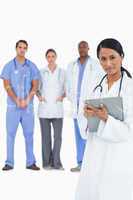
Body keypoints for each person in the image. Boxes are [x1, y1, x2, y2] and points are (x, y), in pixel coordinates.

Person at [76, 38, 133, 200]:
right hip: (94, 154)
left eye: (112, 57)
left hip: (118, 157)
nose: (108, 63)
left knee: (113, 193)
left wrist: (107, 119)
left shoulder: (130, 88)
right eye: (103, 59)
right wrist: (87, 117)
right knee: (91, 192)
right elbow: (84, 127)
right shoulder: (95, 86)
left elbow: (129, 131)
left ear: (122, 56)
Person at [1, 40, 40, 171]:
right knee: (10, 135)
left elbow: (35, 85)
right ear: (16, 48)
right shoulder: (8, 66)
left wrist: (27, 99)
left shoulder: (32, 66)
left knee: (29, 135)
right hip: (13, 108)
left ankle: (30, 162)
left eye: (24, 48)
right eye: (20, 47)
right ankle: (9, 162)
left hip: (28, 108)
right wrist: (16, 100)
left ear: (26, 49)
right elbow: (6, 85)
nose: (22, 50)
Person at [66, 41, 104, 172]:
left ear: (88, 48)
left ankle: (92, 165)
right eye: (80, 46)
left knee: (92, 135)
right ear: (77, 49)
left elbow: (100, 82)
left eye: (84, 46)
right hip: (76, 106)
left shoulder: (95, 64)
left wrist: (95, 101)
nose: (82, 48)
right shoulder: (71, 65)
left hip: (90, 105)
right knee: (78, 136)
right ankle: (80, 163)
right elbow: (68, 84)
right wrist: (71, 98)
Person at [37, 49, 66, 170]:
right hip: (44, 109)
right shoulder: (41, 72)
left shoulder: (62, 72)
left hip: (57, 108)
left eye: (53, 56)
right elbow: (36, 88)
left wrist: (62, 96)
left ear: (56, 57)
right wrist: (39, 97)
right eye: (48, 56)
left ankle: (56, 163)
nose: (51, 58)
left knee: (58, 137)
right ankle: (46, 163)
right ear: (46, 58)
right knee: (45, 137)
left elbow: (66, 89)